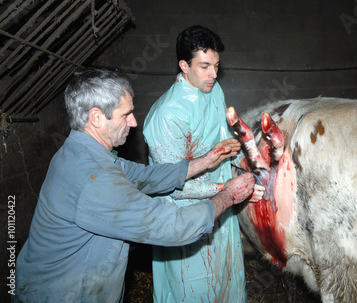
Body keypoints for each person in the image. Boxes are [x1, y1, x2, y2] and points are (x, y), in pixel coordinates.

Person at [14, 68, 256, 303]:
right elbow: (173, 227)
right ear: (96, 117)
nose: (133, 122)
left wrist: (204, 161)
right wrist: (227, 196)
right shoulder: (93, 179)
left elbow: (144, 176)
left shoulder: (83, 152)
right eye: (125, 114)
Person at [143, 25, 262, 302]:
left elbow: (221, 143)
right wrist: (227, 189)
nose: (214, 75)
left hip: (221, 205)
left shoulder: (214, 90)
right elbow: (172, 187)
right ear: (184, 65)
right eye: (205, 66)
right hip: (185, 216)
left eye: (217, 66)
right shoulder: (166, 116)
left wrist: (237, 156)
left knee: (225, 277)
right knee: (191, 287)